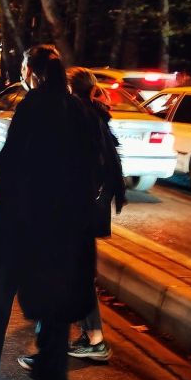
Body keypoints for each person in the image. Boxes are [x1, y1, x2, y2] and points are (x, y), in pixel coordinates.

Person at [0, 45, 108, 380]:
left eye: (22, 67)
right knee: (57, 290)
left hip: (26, 215)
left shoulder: (33, 105)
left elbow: (16, 160)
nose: (21, 74)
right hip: (67, 221)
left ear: (32, 73)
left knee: (2, 287)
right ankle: (51, 367)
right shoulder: (78, 109)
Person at [65, 67, 127, 362]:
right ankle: (87, 334)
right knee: (76, 273)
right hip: (90, 208)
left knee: (77, 274)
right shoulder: (94, 114)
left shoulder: (80, 118)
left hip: (81, 210)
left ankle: (95, 339)